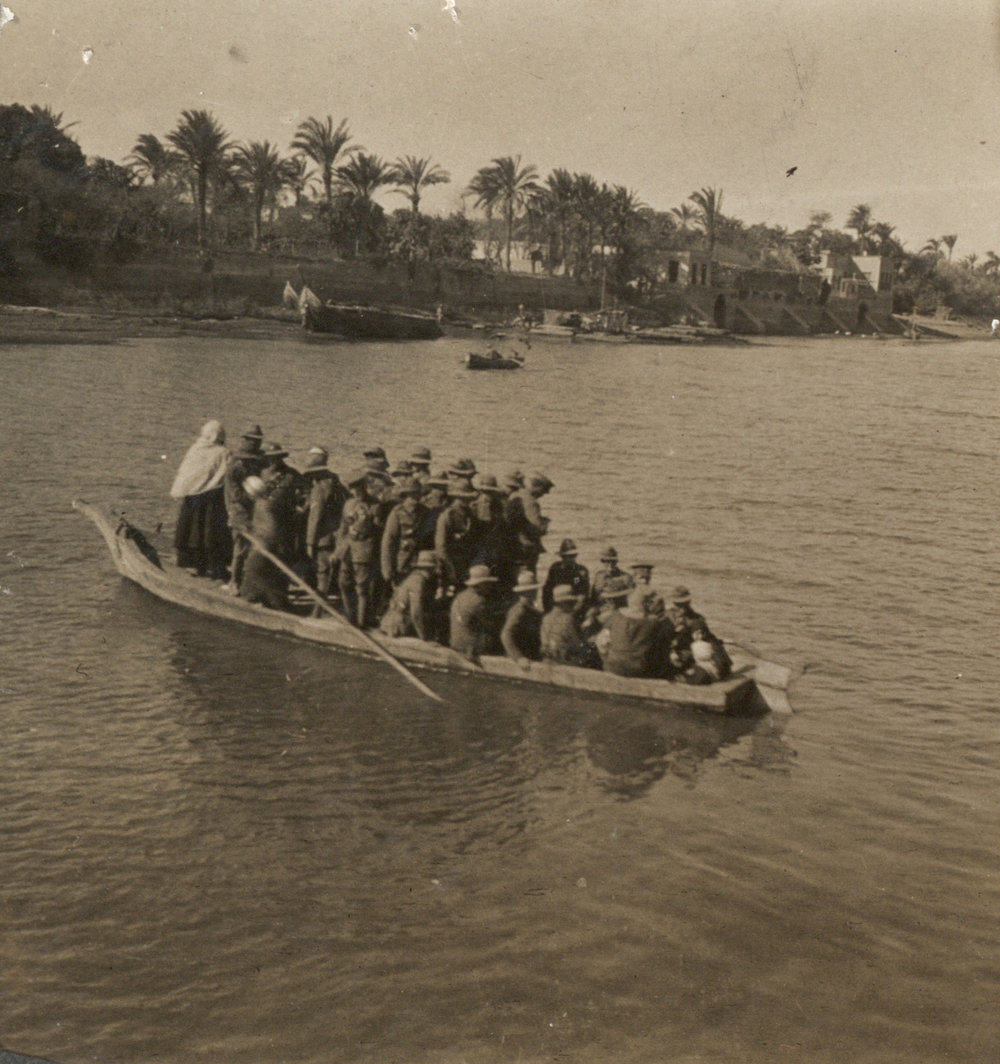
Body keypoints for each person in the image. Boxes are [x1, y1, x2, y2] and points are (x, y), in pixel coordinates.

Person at [169, 419, 232, 579]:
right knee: (207, 531)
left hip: (192, 496)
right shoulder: (223, 452)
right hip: (211, 497)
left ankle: (189, 562)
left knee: (190, 529)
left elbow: (186, 474)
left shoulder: (196, 448)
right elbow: (224, 475)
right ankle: (207, 565)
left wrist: (190, 488)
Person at [300, 446, 348, 605]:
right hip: (337, 533)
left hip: (323, 536)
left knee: (322, 570)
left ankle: (319, 607)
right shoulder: (336, 483)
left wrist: (310, 543)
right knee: (329, 570)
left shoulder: (320, 488)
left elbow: (315, 517)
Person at [337, 467, 383, 627]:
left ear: (364, 487)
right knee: (343, 582)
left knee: (362, 588)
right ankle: (350, 616)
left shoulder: (375, 505)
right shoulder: (348, 504)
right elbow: (343, 528)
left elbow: (378, 531)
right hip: (348, 550)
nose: (355, 492)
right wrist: (339, 549)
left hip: (364, 550)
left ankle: (361, 622)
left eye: (358, 488)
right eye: (352, 488)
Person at [222, 423, 264, 593]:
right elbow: (235, 496)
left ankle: (247, 581)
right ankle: (234, 582)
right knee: (240, 549)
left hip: (253, 512)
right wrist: (255, 498)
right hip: (239, 513)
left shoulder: (254, 465)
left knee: (249, 549)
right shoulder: (235, 469)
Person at [602, 588, 673, 678]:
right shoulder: (652, 622)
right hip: (638, 668)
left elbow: (601, 640)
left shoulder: (616, 615)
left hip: (612, 665)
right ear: (646, 604)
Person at [501, 472, 553, 586]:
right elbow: (536, 527)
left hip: (514, 547)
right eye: (543, 490)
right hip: (526, 549)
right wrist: (545, 523)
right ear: (536, 487)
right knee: (527, 579)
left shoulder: (516, 496)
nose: (544, 494)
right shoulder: (530, 501)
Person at [380, 550, 439, 640]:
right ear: (430, 569)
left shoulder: (414, 577)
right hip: (399, 626)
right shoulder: (418, 582)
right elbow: (416, 612)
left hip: (391, 621)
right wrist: (423, 636)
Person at [381, 476, 427, 588]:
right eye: (412, 495)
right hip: (402, 563)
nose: (415, 498)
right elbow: (388, 542)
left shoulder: (425, 511)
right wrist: (387, 569)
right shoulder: (397, 513)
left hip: (420, 563)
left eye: (417, 494)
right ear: (405, 495)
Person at [540, 584, 598, 667]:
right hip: (566, 664)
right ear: (564, 603)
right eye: (571, 603)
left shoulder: (546, 618)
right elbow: (578, 645)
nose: (573, 605)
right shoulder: (568, 619)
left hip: (548, 661)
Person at [449, 565, 499, 662]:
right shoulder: (478, 601)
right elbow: (489, 625)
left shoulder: (461, 596)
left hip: (456, 642)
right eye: (487, 584)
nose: (490, 587)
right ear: (479, 585)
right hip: (470, 648)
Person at [435, 481, 479, 590]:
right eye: (464, 498)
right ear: (456, 497)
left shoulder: (469, 514)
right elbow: (441, 546)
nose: (468, 501)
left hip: (466, 564)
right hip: (451, 565)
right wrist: (450, 570)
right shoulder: (447, 516)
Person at [499, 569, 543, 666]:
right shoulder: (519, 611)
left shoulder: (528, 609)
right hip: (523, 658)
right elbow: (505, 634)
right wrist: (519, 657)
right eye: (533, 590)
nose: (536, 592)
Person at [542, 538, 590, 611]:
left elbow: (582, 592)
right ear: (562, 556)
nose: (572, 559)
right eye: (569, 556)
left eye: (574, 555)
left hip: (574, 604)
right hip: (557, 603)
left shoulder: (580, 571)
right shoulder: (555, 568)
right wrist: (548, 609)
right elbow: (547, 589)